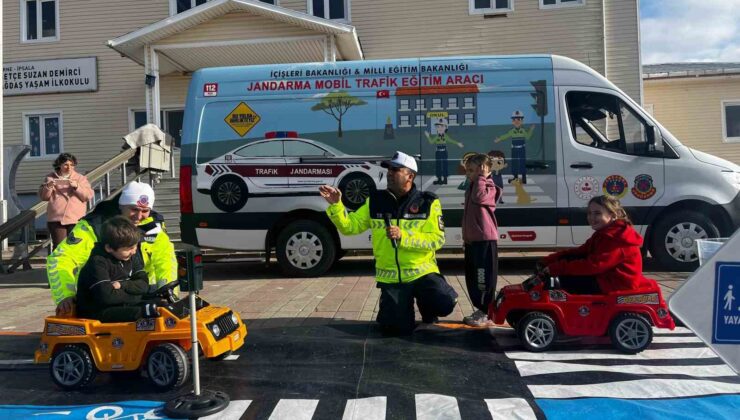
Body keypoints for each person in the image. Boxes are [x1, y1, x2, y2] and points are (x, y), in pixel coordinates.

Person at [320, 151, 458, 335]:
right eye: (389, 170)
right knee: (393, 328)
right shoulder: (375, 201)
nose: (390, 173)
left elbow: (437, 239)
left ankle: (428, 310)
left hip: (422, 273)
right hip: (391, 279)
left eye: (396, 170)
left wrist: (404, 237)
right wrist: (336, 205)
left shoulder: (428, 202)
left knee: (444, 302)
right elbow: (350, 227)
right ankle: (393, 312)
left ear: (410, 175)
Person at [48, 181, 177, 317]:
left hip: (139, 292)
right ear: (121, 206)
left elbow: (166, 261)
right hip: (102, 295)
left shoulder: (153, 228)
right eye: (134, 209)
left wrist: (168, 292)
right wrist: (66, 296)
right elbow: (61, 259)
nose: (139, 216)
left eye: (145, 211)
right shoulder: (94, 226)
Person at [540, 195, 649, 294]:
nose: (591, 217)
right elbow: (581, 251)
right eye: (589, 213)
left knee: (560, 282)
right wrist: (551, 259)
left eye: (597, 213)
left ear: (613, 214)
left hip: (616, 284)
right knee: (569, 262)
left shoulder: (617, 238)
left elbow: (593, 265)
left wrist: (557, 268)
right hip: (606, 276)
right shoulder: (604, 233)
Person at [75, 216, 161, 322]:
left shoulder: (131, 256)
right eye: (129, 249)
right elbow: (107, 297)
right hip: (97, 311)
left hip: (122, 304)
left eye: (135, 247)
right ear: (109, 248)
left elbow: (143, 284)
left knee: (161, 304)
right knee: (144, 312)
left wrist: (122, 285)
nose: (134, 251)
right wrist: (137, 295)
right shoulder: (97, 262)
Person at [461, 154, 501, 327]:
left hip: (485, 241)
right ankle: (480, 309)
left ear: (483, 170)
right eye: (468, 170)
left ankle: (486, 310)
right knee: (472, 279)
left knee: (483, 279)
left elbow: (479, 197)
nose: (467, 174)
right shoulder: (473, 186)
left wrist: (482, 179)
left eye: (471, 170)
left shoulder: (490, 187)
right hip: (473, 241)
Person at [39, 153, 94, 249]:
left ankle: (75, 264)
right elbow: (44, 197)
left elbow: (87, 196)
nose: (69, 168)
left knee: (75, 248)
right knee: (60, 248)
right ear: (59, 165)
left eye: (72, 165)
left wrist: (77, 187)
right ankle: (58, 264)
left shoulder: (80, 178)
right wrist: (49, 186)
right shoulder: (50, 177)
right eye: (66, 164)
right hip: (56, 219)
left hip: (76, 218)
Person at [494, 110, 534, 184]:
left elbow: (528, 137)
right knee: (514, 163)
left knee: (522, 163)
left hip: (522, 148)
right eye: (514, 120)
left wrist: (531, 130)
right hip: (514, 149)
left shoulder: (523, 131)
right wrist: (499, 139)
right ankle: (515, 177)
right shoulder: (512, 131)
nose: (517, 121)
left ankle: (524, 178)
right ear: (512, 122)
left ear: (522, 121)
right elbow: (506, 136)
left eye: (519, 119)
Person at [425, 118, 464, 185]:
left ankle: (445, 179)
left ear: (445, 128)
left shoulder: (445, 136)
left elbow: (451, 140)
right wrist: (428, 136)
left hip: (444, 152)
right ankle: (439, 179)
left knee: (444, 165)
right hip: (438, 152)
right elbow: (431, 142)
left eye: (442, 126)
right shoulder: (437, 136)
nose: (440, 128)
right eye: (438, 127)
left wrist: (457, 143)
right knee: (438, 166)